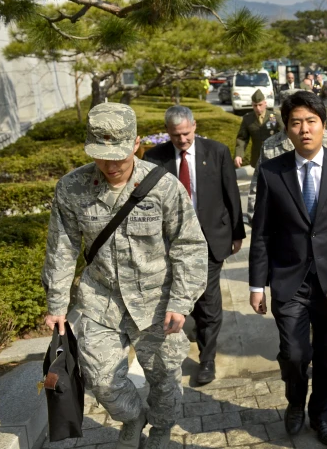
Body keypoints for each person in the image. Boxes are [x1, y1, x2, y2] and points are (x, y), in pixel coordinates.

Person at [42, 103, 208, 449]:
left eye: (119, 153)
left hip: (157, 303)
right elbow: (62, 247)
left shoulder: (163, 186)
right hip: (100, 300)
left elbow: (189, 246)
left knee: (164, 380)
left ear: (136, 143)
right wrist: (57, 304)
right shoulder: (72, 188)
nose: (112, 164)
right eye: (103, 155)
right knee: (102, 381)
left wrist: (181, 301)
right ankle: (133, 418)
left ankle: (161, 430)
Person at [249, 91, 327, 446]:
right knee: (295, 354)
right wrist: (255, 284)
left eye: (311, 122)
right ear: (287, 129)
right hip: (289, 279)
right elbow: (262, 231)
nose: (305, 129)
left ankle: (321, 415)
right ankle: (295, 402)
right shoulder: (271, 172)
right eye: (296, 123)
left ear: (323, 126)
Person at [144, 106, 246, 385]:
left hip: (210, 239)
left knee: (208, 300)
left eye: (186, 133)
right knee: (175, 297)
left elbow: (231, 194)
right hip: (170, 243)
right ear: (168, 132)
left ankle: (207, 359)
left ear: (195, 126)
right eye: (176, 135)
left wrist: (237, 234)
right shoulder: (154, 158)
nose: (182, 140)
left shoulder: (217, 152)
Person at [246, 90, 327, 219]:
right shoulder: (270, 146)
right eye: (296, 122)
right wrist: (254, 218)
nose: (304, 129)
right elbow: (258, 186)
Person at [234, 90, 284, 168]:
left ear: (265, 104)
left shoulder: (275, 117)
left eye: (260, 105)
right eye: (255, 105)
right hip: (257, 158)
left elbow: (284, 134)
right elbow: (242, 138)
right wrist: (239, 155)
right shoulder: (248, 119)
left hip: (274, 156)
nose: (258, 108)